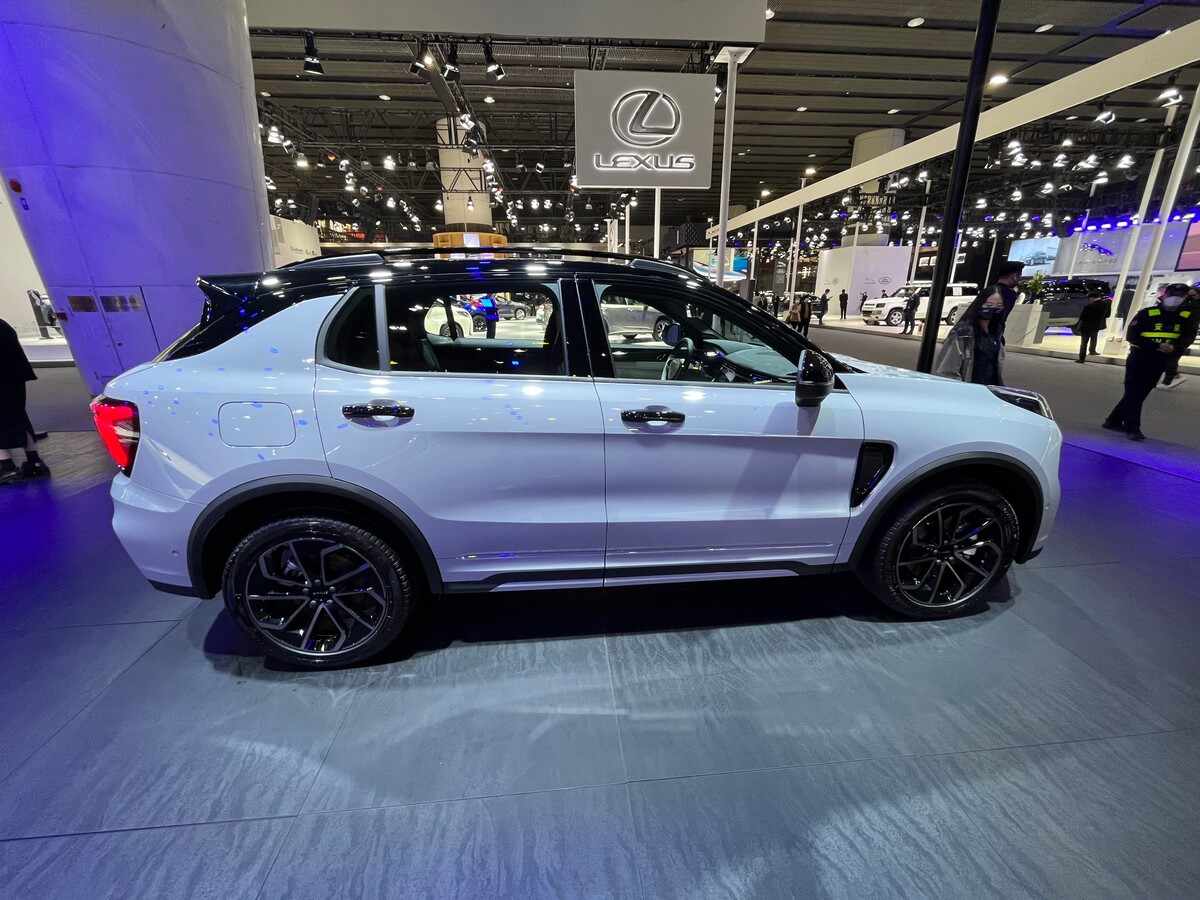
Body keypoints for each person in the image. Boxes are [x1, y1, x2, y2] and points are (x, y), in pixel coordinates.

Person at [1104, 283, 1197, 440]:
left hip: (1161, 360)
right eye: (1173, 295)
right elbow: (1132, 336)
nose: (1176, 299)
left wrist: (1174, 348)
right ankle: (1132, 428)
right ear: (1164, 295)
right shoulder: (1147, 313)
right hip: (1140, 357)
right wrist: (1156, 346)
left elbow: (1188, 337)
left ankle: (1113, 420)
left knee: (1139, 393)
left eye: (1180, 296)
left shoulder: (1186, 317)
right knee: (1134, 392)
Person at [933, 260, 1024, 385]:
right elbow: (947, 373)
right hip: (968, 389)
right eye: (989, 304)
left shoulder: (994, 336)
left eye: (999, 306)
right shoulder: (964, 335)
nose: (994, 308)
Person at [0, 318, 50, 485]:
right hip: (15, 380)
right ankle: (34, 462)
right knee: (20, 417)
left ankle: (6, 467)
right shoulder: (3, 325)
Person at [1160, 284, 1199, 387]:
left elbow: (1191, 321)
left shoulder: (1193, 306)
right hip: (1173, 332)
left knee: (1173, 356)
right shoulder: (1182, 303)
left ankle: (1168, 381)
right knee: (1168, 356)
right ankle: (1175, 376)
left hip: (1184, 334)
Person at [1074, 294, 1111, 363]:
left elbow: (1082, 317)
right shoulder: (1105, 305)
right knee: (1094, 339)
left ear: (1092, 298)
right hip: (1096, 326)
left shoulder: (1089, 306)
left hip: (1086, 326)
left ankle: (1081, 359)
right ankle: (1092, 351)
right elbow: (1108, 315)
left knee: (1084, 343)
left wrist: (1078, 326)